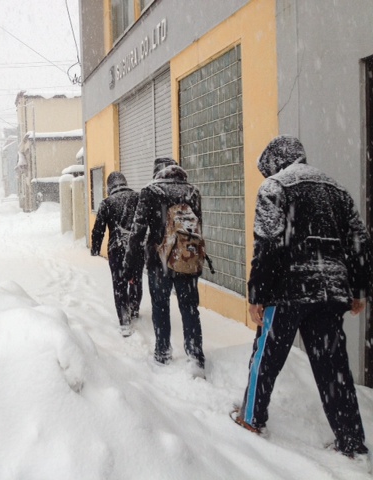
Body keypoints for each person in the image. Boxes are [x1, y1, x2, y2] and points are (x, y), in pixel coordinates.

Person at [233, 135, 371, 458]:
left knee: (266, 358)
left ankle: (251, 418)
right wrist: (359, 289)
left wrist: (257, 294)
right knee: (334, 368)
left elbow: (266, 246)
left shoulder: (275, 188)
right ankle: (351, 442)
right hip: (331, 291)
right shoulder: (335, 189)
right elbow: (360, 242)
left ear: (276, 162)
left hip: (288, 290)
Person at [125, 157, 205, 373]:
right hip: (187, 260)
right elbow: (198, 228)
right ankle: (195, 355)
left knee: (160, 306)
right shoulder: (192, 191)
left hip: (159, 260)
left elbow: (138, 231)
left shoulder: (151, 191)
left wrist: (130, 263)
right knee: (190, 308)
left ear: (156, 172)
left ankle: (162, 352)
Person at [91, 172, 142, 337]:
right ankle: (134, 308)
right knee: (136, 279)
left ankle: (125, 321)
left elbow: (98, 228)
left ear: (109, 186)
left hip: (117, 249)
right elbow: (146, 221)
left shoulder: (107, 203)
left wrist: (95, 248)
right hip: (137, 249)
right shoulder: (137, 197)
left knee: (119, 285)